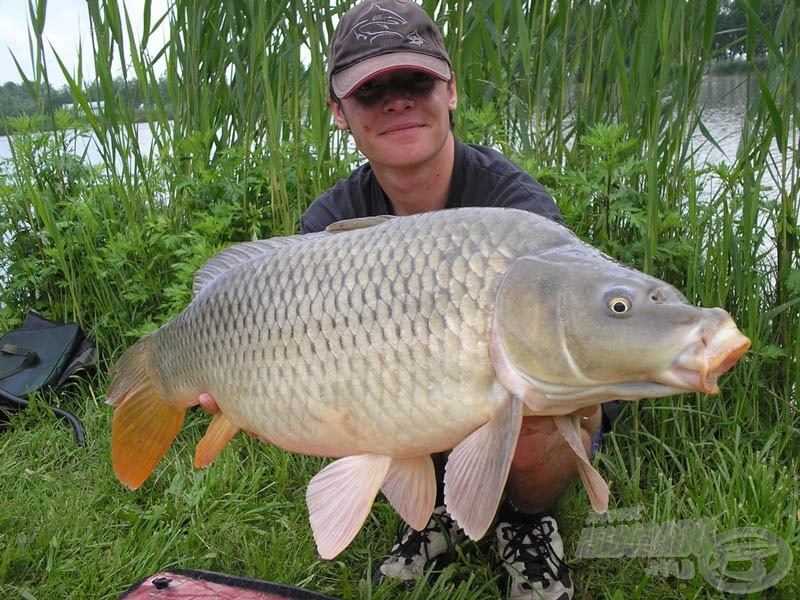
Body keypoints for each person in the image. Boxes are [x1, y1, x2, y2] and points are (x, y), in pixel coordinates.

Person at [202, 2, 617, 598]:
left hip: (503, 401)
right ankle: (433, 513)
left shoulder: (513, 213)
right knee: (348, 386)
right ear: (340, 113)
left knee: (532, 398)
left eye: (414, 81)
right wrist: (256, 394)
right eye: (372, 91)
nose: (397, 101)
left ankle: (527, 522)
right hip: (404, 403)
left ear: (449, 89)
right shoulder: (328, 225)